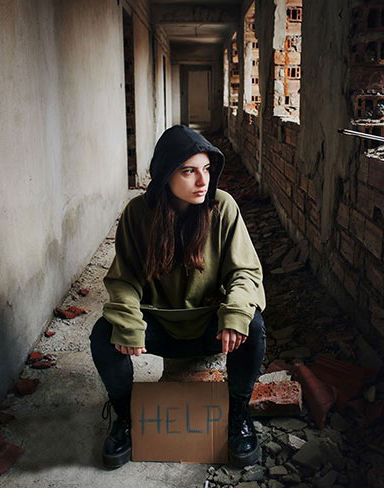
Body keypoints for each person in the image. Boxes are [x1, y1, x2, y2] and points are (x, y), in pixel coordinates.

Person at [89, 125, 266, 469]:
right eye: (189, 172)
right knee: (102, 334)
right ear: (166, 175)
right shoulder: (138, 214)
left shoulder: (222, 207)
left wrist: (234, 316)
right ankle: (126, 417)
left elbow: (245, 273)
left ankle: (239, 415)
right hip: (160, 328)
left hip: (211, 329)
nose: (202, 181)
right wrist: (128, 323)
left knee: (253, 326)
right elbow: (123, 280)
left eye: (206, 170)